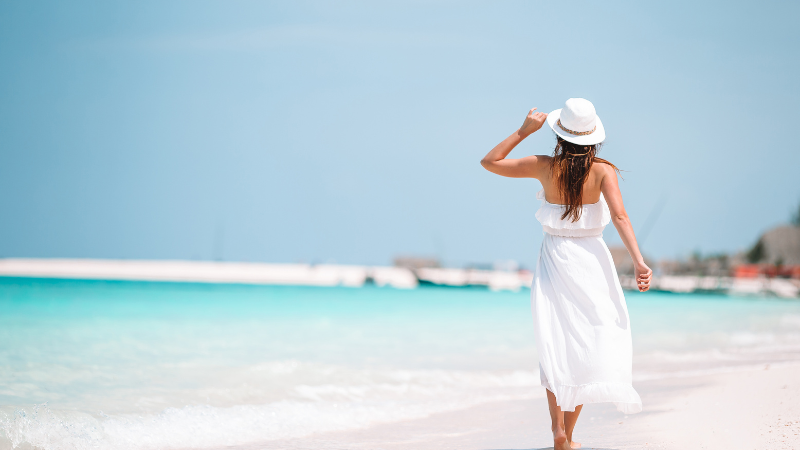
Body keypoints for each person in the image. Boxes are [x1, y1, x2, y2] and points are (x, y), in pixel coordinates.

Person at [480, 98, 651, 450]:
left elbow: (489, 162)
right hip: (591, 262)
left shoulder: (544, 166)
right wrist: (638, 261)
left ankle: (557, 430)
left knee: (554, 343)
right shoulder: (604, 170)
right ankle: (568, 435)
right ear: (593, 138)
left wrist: (523, 131)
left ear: (559, 134)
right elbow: (620, 217)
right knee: (587, 342)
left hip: (555, 259)